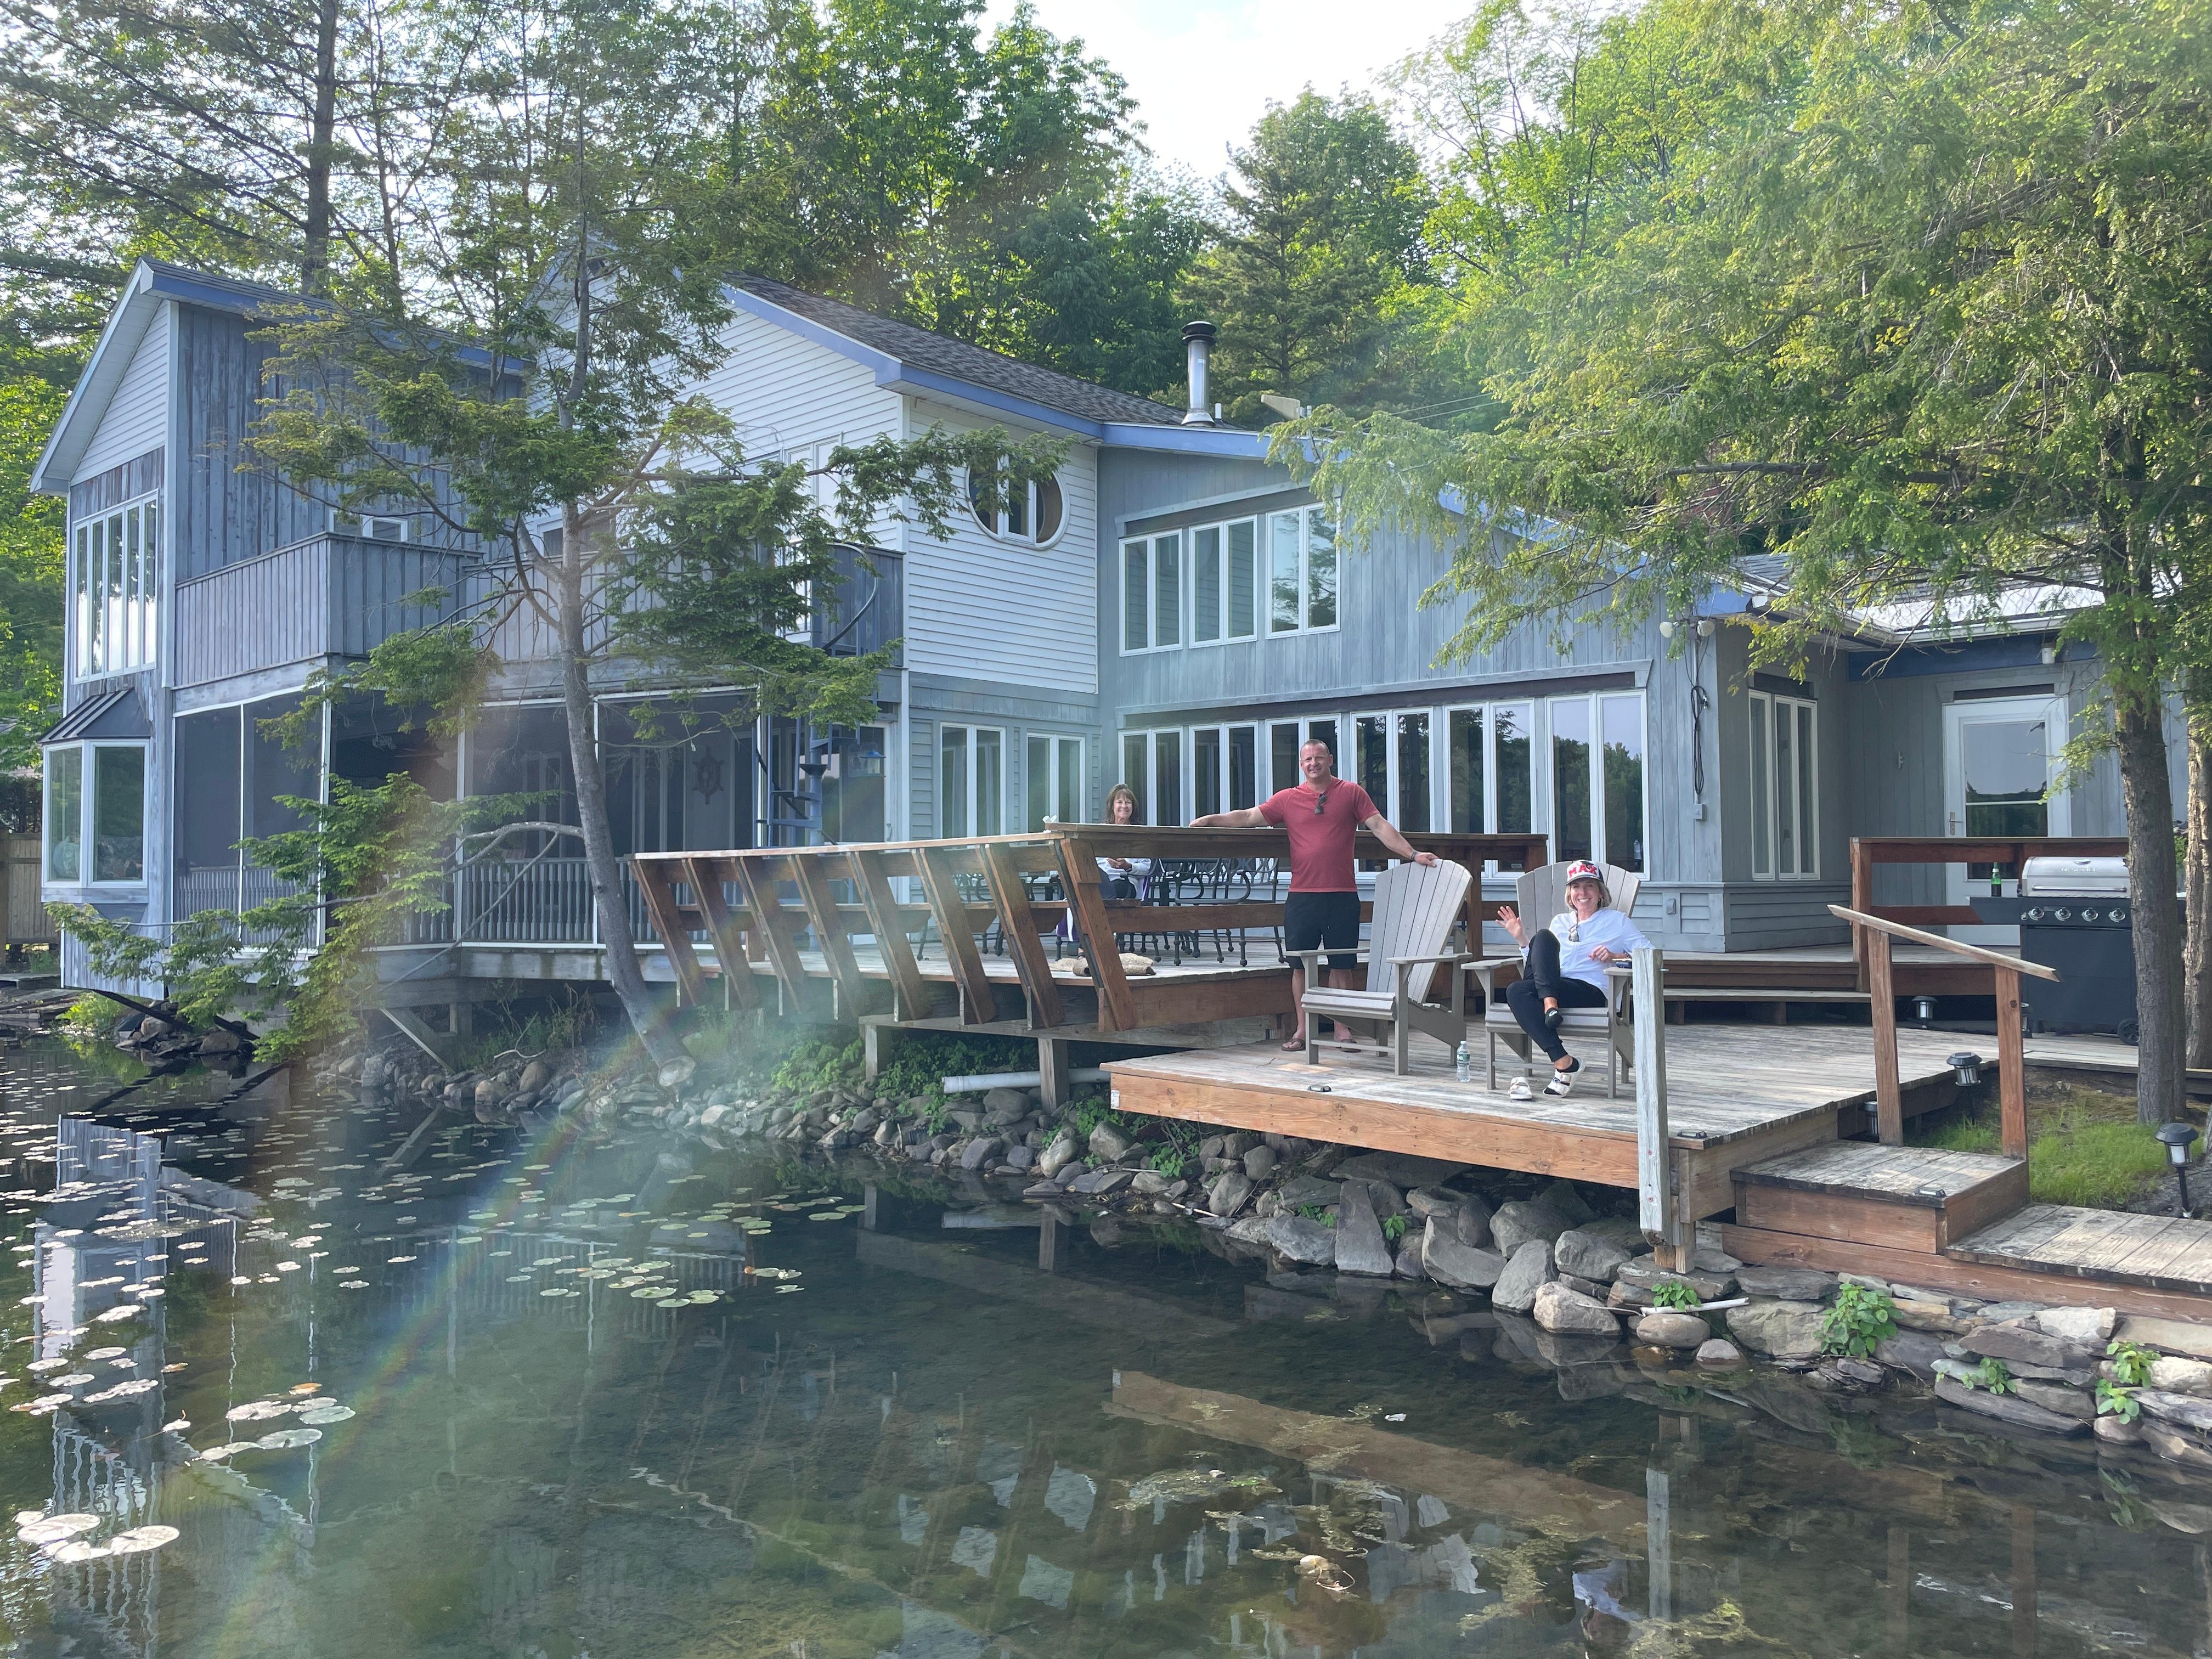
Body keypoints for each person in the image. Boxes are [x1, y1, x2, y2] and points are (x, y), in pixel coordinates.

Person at [1189, 738, 1436, 1052]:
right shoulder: (1288, 798)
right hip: (1302, 895)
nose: (1314, 763)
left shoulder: (1351, 793)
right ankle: (1303, 1030)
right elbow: (1249, 817)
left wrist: (1413, 854)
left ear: (1330, 760)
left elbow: (1379, 826)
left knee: (1341, 965)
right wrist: (1211, 820)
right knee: (1300, 966)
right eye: (1308, 759)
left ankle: (1342, 1030)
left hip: (1342, 894)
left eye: (1319, 757)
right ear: (1301, 764)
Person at [1495, 859, 1650, 1099]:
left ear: (1601, 893)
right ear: (1570, 894)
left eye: (1590, 886)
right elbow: (1539, 966)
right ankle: (1564, 1061)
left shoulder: (1618, 921)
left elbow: (1651, 955)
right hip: (1556, 987)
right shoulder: (1560, 922)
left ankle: (1550, 1007)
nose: (1583, 893)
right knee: (1526, 969)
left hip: (1590, 991)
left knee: (1524, 986)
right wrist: (1521, 939)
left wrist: (1616, 956)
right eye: (1576, 887)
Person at [1098, 784, 1154, 899]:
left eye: (1128, 803)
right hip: (1099, 881)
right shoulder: (1099, 832)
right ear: (1112, 806)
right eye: (1119, 802)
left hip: (1125, 883)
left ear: (1133, 807)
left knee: (1094, 892)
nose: (1124, 806)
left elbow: (1147, 868)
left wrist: (1128, 866)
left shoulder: (1139, 834)